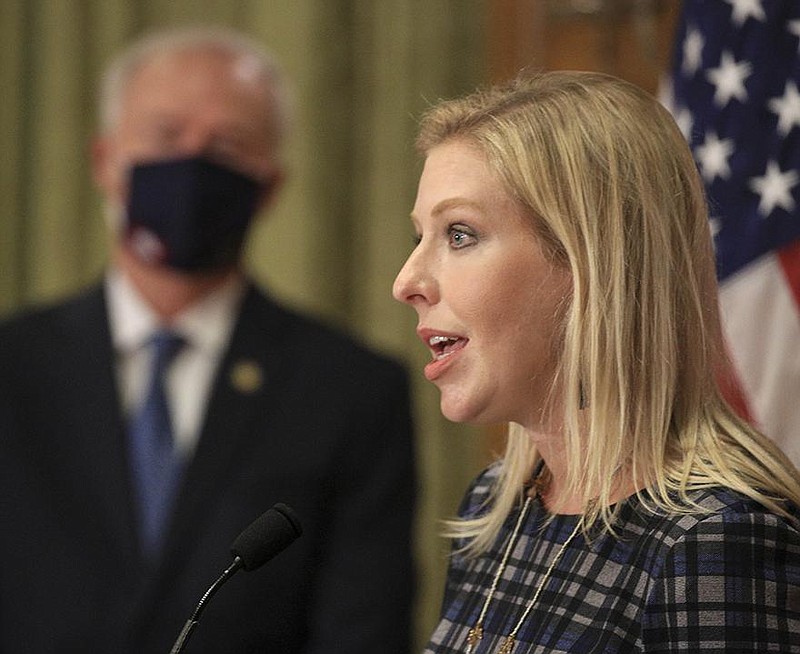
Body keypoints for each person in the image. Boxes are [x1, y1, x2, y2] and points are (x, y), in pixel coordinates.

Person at [0, 27, 415, 653]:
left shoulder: (351, 391)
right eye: (167, 135)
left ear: (271, 186)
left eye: (229, 145)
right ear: (105, 161)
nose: (195, 162)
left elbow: (361, 631)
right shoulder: (13, 366)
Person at [392, 71, 800, 653]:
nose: (406, 282)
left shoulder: (717, 541)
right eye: (419, 237)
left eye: (459, 234)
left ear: (595, 265)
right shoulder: (495, 506)